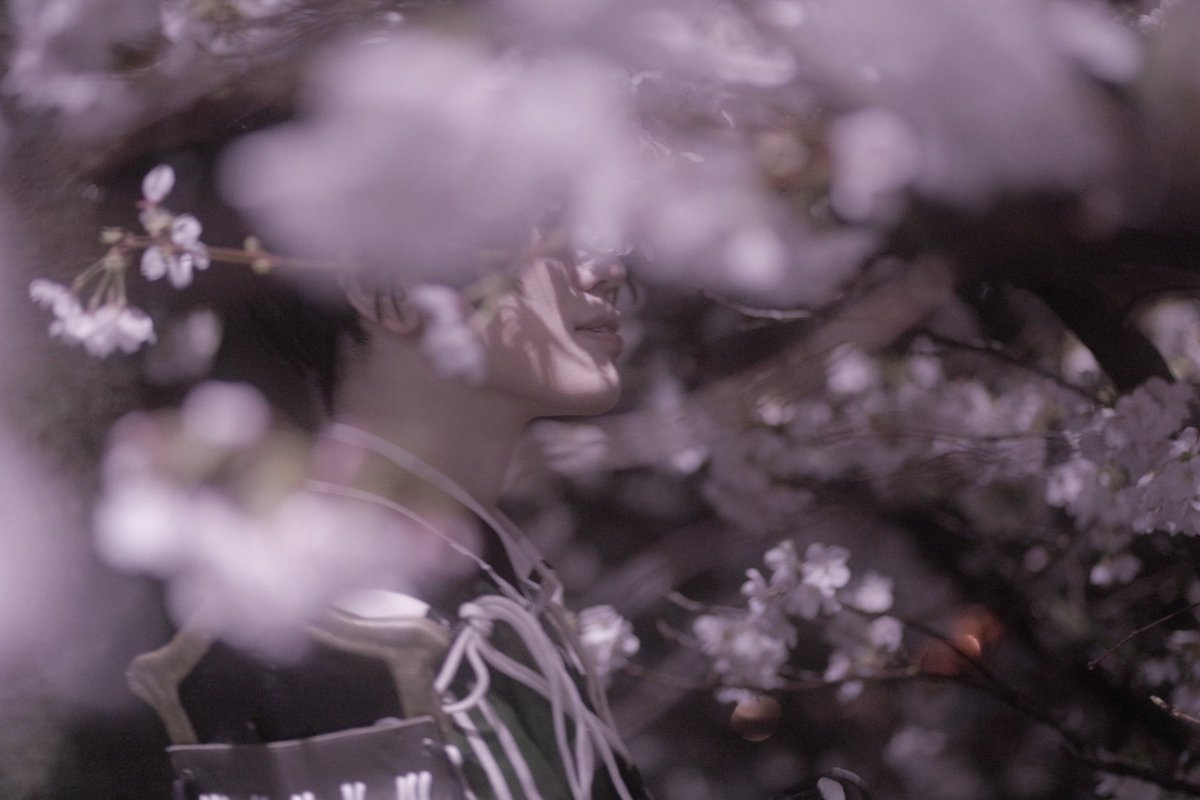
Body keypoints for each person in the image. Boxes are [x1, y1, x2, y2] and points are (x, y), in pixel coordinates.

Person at [133, 245, 651, 800]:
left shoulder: (480, 578)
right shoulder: (380, 623)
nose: (607, 270)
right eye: (545, 234)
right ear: (391, 292)